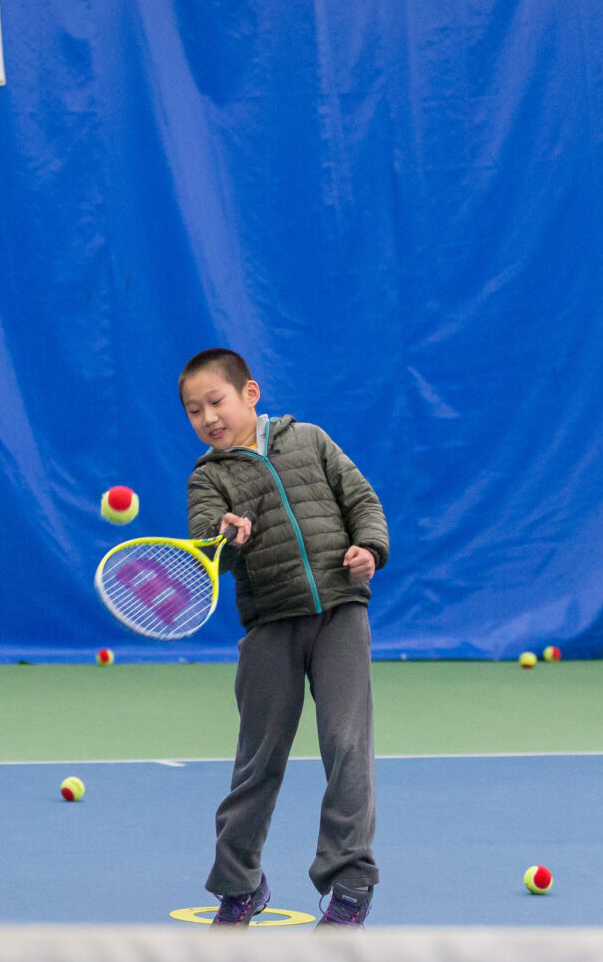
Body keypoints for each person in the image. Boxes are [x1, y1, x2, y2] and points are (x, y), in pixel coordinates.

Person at [178, 347, 389, 928]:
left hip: (340, 614)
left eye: (215, 401)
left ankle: (350, 884)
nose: (208, 418)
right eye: (194, 411)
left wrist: (368, 550)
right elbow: (203, 552)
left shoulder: (310, 441)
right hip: (269, 625)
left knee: (346, 747)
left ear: (250, 393)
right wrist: (225, 537)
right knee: (257, 762)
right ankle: (239, 886)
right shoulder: (208, 478)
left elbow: (362, 501)